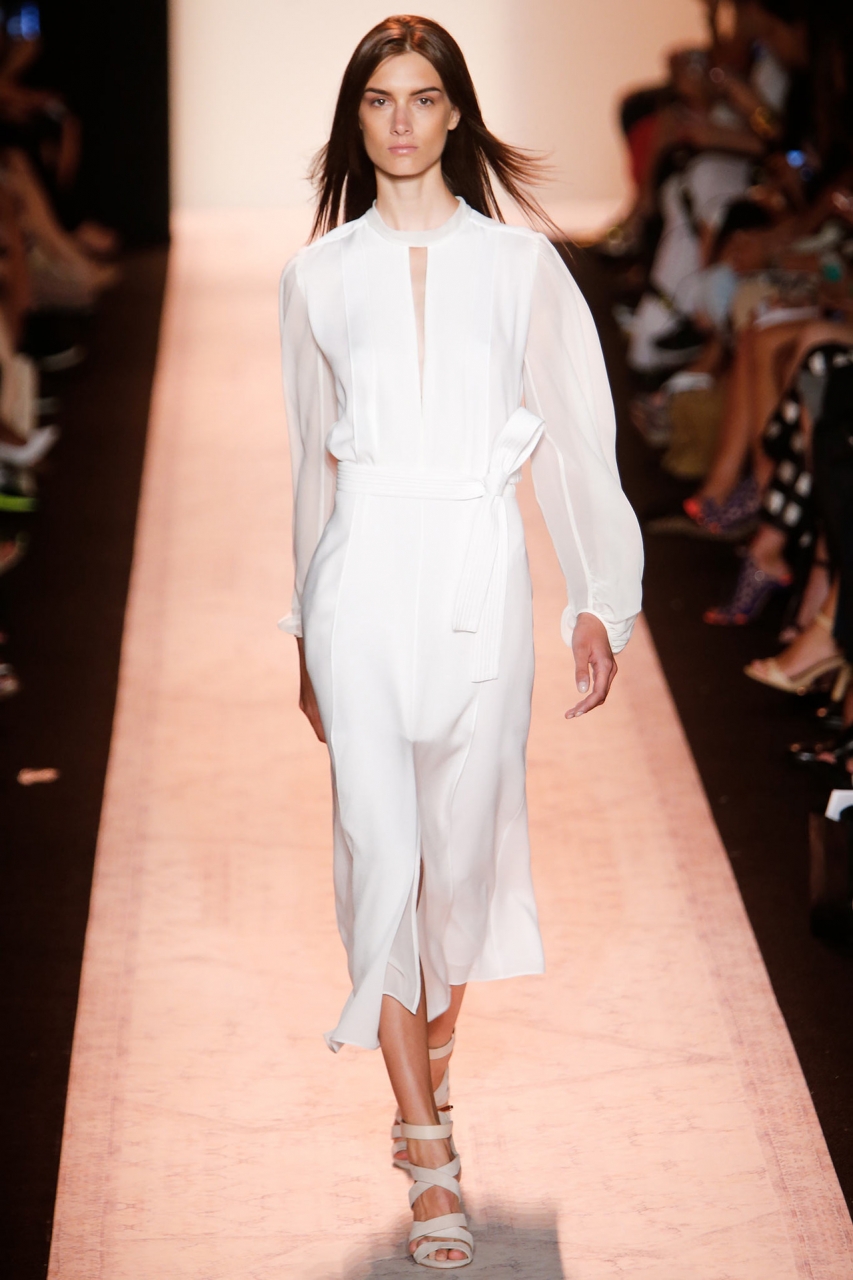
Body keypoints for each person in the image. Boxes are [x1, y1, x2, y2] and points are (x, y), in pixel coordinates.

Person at [278, 15, 643, 1269]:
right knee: (383, 850)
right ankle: (424, 1141)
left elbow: (580, 440)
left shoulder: (522, 267)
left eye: (422, 98)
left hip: (480, 576)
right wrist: (302, 629)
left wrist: (598, 594)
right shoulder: (318, 277)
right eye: (379, 99)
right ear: (356, 118)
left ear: (454, 114)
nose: (400, 121)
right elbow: (308, 468)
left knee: (463, 856)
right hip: (364, 577)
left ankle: (430, 1054)